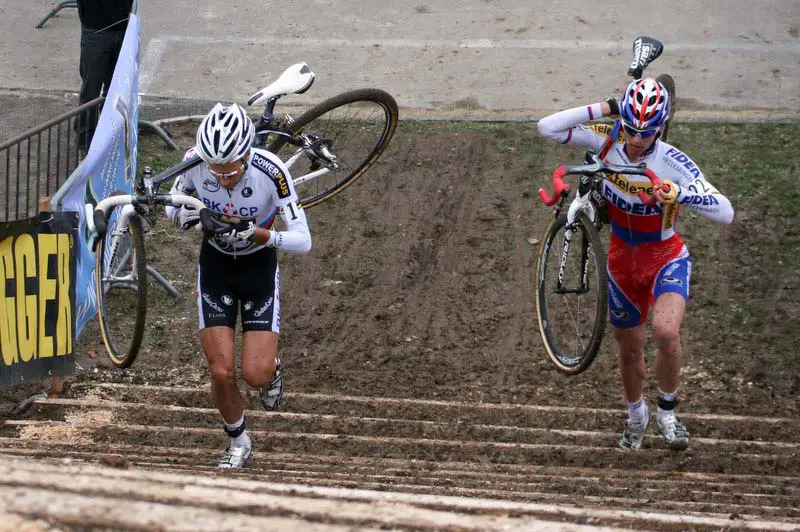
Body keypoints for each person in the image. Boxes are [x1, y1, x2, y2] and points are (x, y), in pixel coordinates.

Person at [537, 78, 734, 451]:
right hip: (621, 262)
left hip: (665, 258)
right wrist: (607, 108)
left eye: (646, 132)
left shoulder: (672, 160)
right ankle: (635, 417)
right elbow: (547, 127)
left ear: (660, 127)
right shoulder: (606, 138)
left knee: (665, 332)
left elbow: (726, 212)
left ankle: (667, 413)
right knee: (628, 349)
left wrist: (681, 194)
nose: (636, 138)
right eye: (630, 127)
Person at [165, 103, 312, 468]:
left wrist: (262, 235)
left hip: (258, 269)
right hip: (215, 267)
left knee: (254, 374)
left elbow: (303, 240)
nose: (223, 178)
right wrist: (198, 216)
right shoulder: (194, 162)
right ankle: (239, 441)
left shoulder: (271, 171)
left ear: (246, 155)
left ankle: (272, 368)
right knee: (220, 371)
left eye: (230, 171)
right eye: (216, 171)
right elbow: (171, 205)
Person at [75, 0, 133, 151]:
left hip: (124, 27)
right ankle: (85, 139)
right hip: (95, 31)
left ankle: (110, 134)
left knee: (115, 88)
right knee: (91, 90)